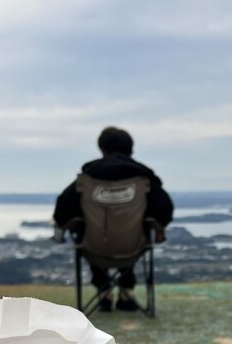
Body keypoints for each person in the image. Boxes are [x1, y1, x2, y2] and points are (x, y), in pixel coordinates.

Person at [53, 127, 174, 312]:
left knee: (86, 229)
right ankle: (126, 292)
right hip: (134, 247)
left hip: (93, 248)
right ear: (131, 150)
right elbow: (165, 212)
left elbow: (61, 213)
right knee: (133, 229)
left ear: (101, 149)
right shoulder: (145, 180)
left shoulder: (85, 180)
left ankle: (104, 293)